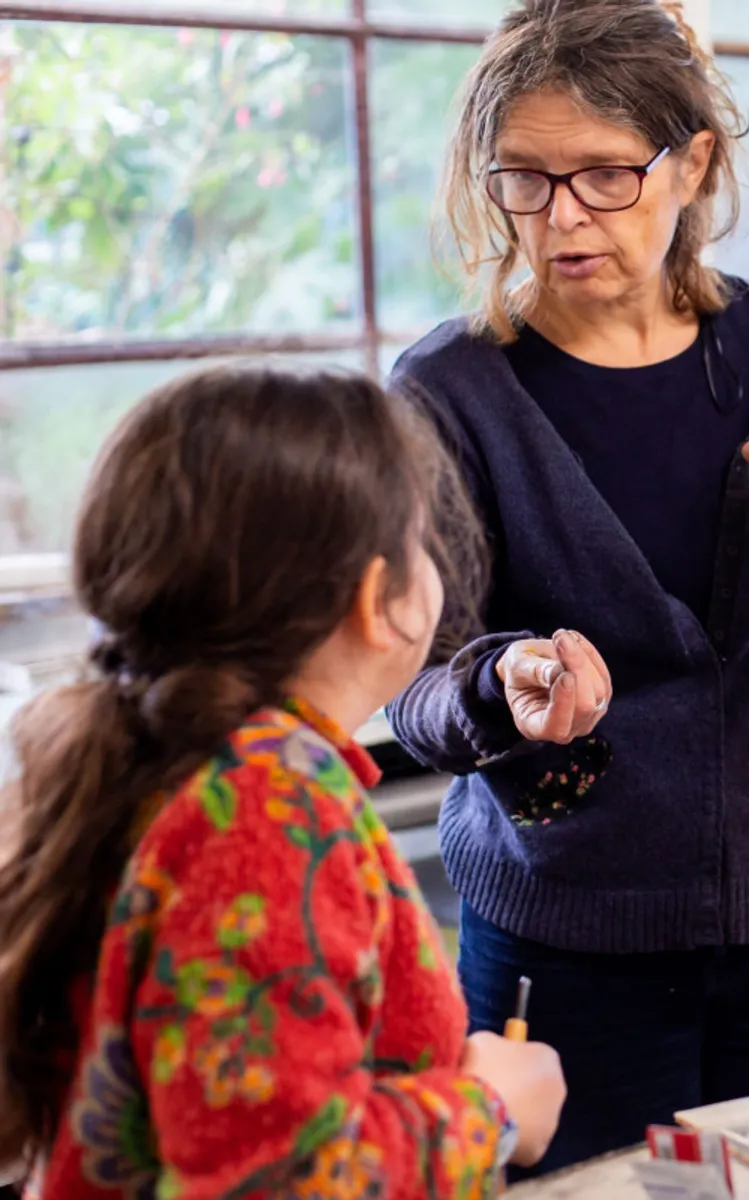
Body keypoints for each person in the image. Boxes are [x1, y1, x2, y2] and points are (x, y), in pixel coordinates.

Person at [385, 0, 749, 1172]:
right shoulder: (450, 389)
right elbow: (414, 683)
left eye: (603, 176)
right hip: (570, 931)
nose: (563, 217)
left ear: (692, 162)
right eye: (524, 182)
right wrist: (507, 684)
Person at [0, 364, 567, 1198]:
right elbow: (278, 1175)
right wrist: (491, 1106)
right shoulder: (262, 806)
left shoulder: (187, 758)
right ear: (379, 597)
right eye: (419, 537)